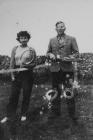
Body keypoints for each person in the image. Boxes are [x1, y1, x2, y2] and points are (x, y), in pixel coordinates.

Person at [46, 21, 79, 123]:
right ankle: (55, 112)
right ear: (55, 29)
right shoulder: (51, 40)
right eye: (58, 27)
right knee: (55, 91)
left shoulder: (71, 39)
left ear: (65, 28)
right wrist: (50, 55)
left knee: (69, 91)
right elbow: (48, 52)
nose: (60, 28)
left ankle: (72, 114)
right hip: (55, 70)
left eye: (62, 27)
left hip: (67, 69)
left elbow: (77, 53)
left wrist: (70, 57)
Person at [1, 31, 36, 123]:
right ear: (19, 39)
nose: (23, 39)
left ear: (28, 39)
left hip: (27, 74)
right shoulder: (15, 49)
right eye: (21, 38)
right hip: (16, 74)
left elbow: (34, 63)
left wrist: (26, 65)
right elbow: (11, 63)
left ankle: (23, 114)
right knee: (13, 96)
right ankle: (9, 115)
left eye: (25, 38)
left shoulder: (31, 49)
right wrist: (12, 75)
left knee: (26, 95)